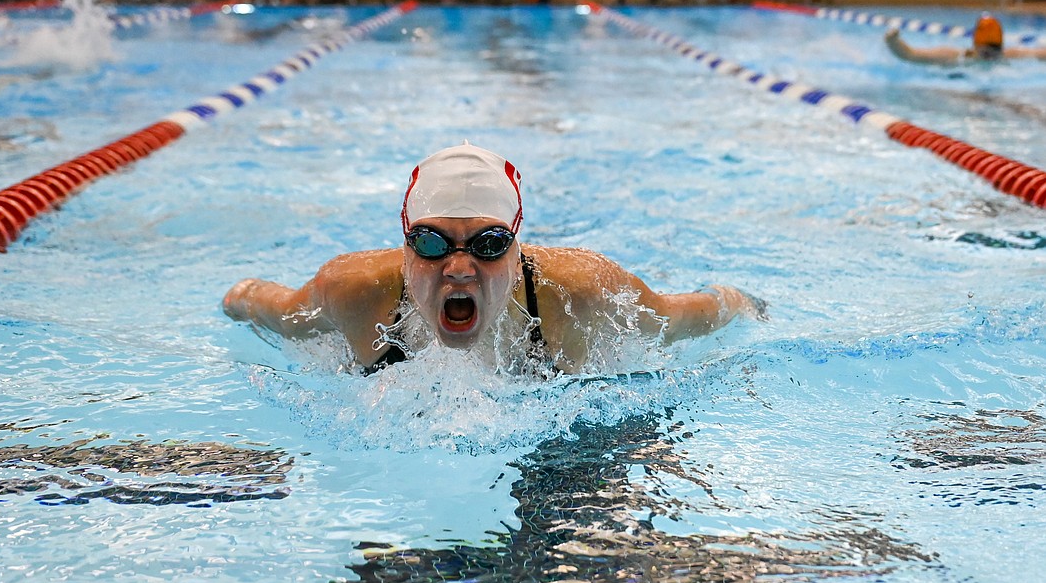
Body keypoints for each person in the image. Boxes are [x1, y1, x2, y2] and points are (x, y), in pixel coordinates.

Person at [223, 144, 763, 376]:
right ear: (406, 245)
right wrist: (237, 297)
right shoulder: (354, 291)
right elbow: (267, 308)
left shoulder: (583, 296)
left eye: (487, 244)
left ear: (517, 247)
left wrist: (742, 303)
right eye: (433, 243)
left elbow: (680, 318)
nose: (458, 267)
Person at [884, 14, 1046, 65]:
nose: (989, 57)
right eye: (985, 52)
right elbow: (910, 55)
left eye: (993, 51)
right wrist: (893, 41)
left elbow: (1041, 54)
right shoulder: (954, 56)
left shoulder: (1011, 55)